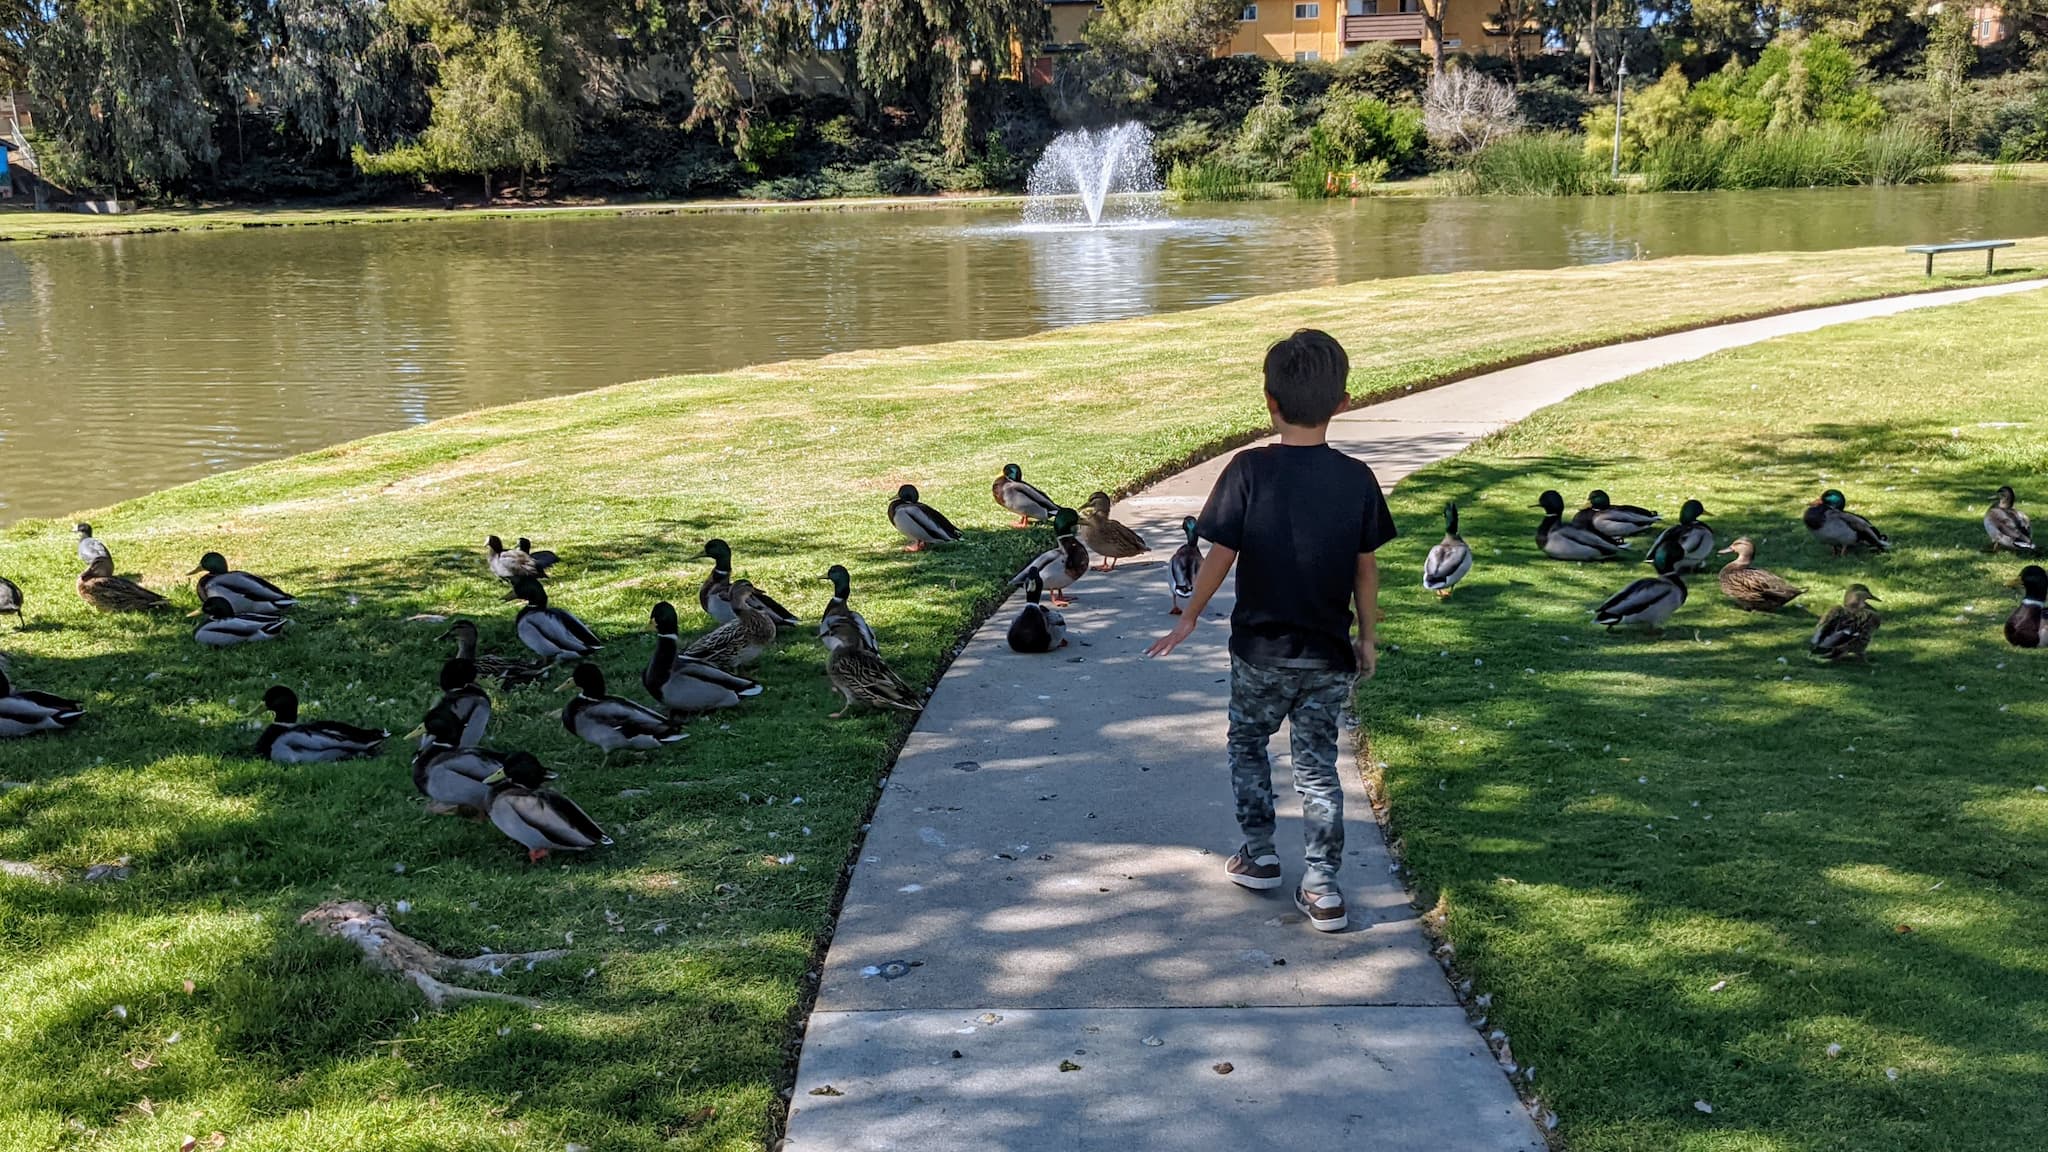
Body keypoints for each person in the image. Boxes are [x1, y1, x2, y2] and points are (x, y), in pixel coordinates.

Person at [1146, 329, 1395, 933]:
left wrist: (1190, 615)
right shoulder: (1357, 478)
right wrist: (1366, 636)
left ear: (1269, 401)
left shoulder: (1248, 470)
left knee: (1247, 745)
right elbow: (1366, 566)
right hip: (1327, 654)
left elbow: (1220, 553)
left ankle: (1259, 855)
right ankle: (1323, 886)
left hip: (1259, 653)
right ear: (1343, 403)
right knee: (1315, 766)